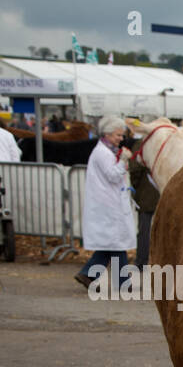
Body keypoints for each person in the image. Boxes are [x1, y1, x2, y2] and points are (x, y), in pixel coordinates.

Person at [74, 115, 136, 292]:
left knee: (112, 243)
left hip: (109, 202)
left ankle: (89, 273)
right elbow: (112, 175)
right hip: (107, 204)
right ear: (107, 134)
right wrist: (124, 160)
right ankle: (121, 281)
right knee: (116, 243)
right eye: (117, 135)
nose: (121, 138)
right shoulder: (102, 153)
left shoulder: (105, 151)